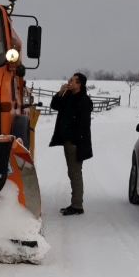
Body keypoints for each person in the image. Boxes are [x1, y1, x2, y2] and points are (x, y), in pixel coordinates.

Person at [49, 72, 93, 216]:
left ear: (79, 84)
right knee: (72, 172)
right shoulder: (68, 96)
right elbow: (54, 105)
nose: (69, 81)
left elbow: (84, 125)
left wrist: (74, 140)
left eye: (72, 80)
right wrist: (60, 93)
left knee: (75, 173)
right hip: (68, 141)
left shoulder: (84, 100)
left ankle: (77, 206)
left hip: (76, 143)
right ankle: (75, 203)